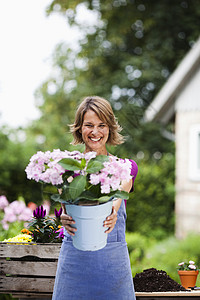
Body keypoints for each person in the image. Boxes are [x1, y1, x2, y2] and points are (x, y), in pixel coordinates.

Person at [52, 96, 138, 300]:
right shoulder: (65, 170)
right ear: (79, 129)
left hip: (112, 265)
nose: (95, 132)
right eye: (89, 125)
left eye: (102, 125)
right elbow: (65, 208)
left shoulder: (125, 167)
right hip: (75, 263)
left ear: (110, 128)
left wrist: (113, 211)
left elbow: (121, 190)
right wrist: (63, 218)